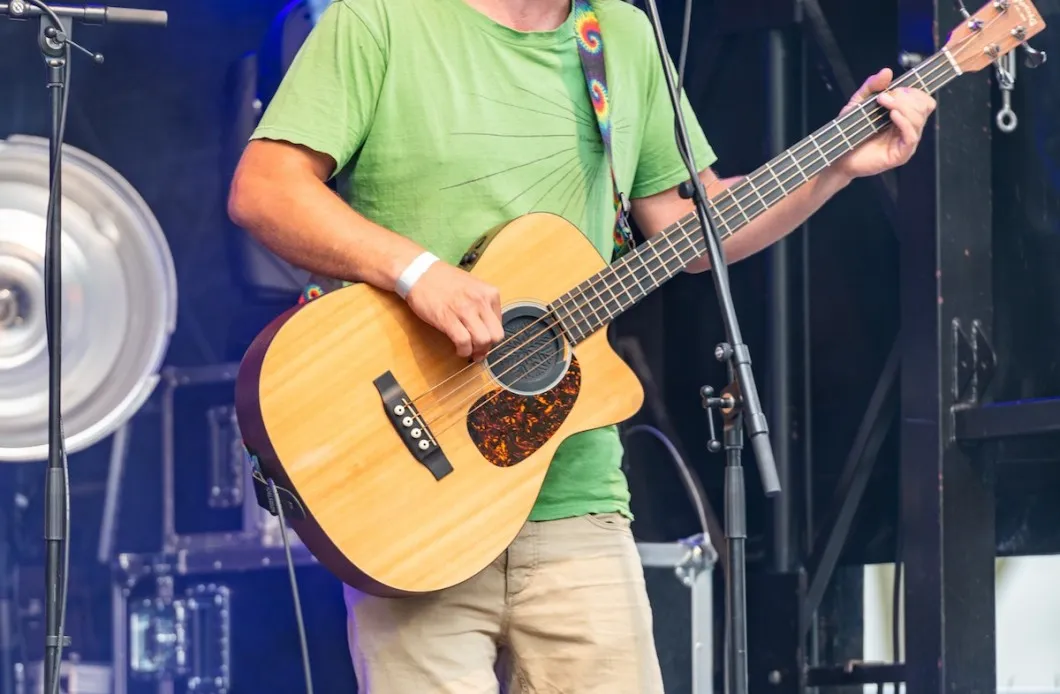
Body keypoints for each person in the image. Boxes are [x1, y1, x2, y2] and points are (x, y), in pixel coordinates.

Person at [227, 0, 936, 691]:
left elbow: (691, 232)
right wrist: (419, 275)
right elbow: (265, 191)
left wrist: (836, 162)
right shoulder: (379, 17)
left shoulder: (621, 36)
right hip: (411, 504)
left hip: (576, 498)